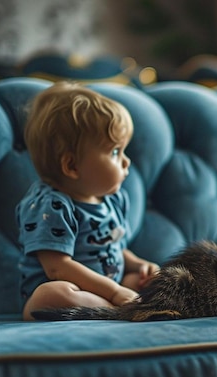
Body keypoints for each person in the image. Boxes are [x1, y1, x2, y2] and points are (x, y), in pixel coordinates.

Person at [17, 81, 159, 321]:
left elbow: (114, 247)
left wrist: (139, 265)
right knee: (51, 294)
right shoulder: (51, 205)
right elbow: (57, 268)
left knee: (147, 282)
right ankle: (117, 311)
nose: (126, 162)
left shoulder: (112, 199)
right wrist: (114, 293)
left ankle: (120, 309)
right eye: (115, 152)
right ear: (72, 166)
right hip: (71, 292)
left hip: (108, 288)